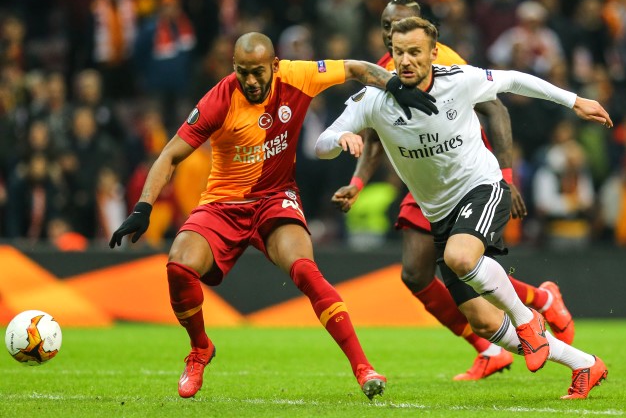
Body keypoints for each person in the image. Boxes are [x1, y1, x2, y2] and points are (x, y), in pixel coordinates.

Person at [109, 31, 435, 400]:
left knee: (306, 271)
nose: (250, 80)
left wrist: (396, 86)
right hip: (223, 204)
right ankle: (200, 349)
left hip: (275, 198)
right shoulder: (218, 99)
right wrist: (143, 207)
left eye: (258, 72)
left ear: (274, 66)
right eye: (243, 72)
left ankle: (364, 367)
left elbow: (357, 68)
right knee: (178, 267)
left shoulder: (298, 76)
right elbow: (170, 155)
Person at [315, 16, 612, 399]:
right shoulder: (374, 99)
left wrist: (575, 101)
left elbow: (514, 80)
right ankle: (584, 363)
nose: (406, 60)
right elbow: (321, 144)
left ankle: (528, 319)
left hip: (482, 188)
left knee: (460, 257)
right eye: (399, 52)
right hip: (439, 213)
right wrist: (341, 137)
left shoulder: (458, 80)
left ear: (433, 53)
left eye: (415, 52)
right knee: (484, 323)